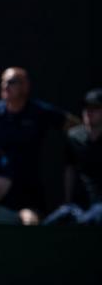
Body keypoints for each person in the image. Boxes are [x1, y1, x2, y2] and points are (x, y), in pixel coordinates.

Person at [0, 67, 81, 224]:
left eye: (11, 82)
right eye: (3, 82)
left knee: (30, 222)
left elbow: (75, 126)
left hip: (28, 189)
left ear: (25, 86)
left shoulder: (39, 112)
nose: (5, 86)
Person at [44, 89, 102, 225]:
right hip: (78, 206)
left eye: (95, 108)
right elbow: (69, 169)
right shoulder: (74, 137)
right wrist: (68, 201)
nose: (89, 112)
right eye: (86, 107)